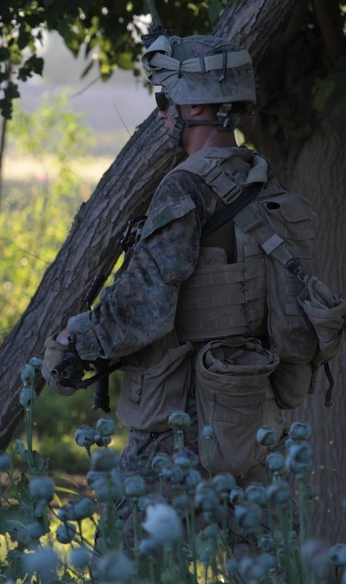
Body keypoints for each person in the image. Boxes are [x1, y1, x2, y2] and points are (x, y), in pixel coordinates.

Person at [41, 31, 295, 492]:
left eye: (164, 99)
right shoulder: (261, 178)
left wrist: (75, 340)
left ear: (194, 108)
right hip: (253, 407)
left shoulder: (185, 186)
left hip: (182, 419)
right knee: (264, 557)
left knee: (134, 556)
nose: (161, 113)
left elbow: (146, 305)